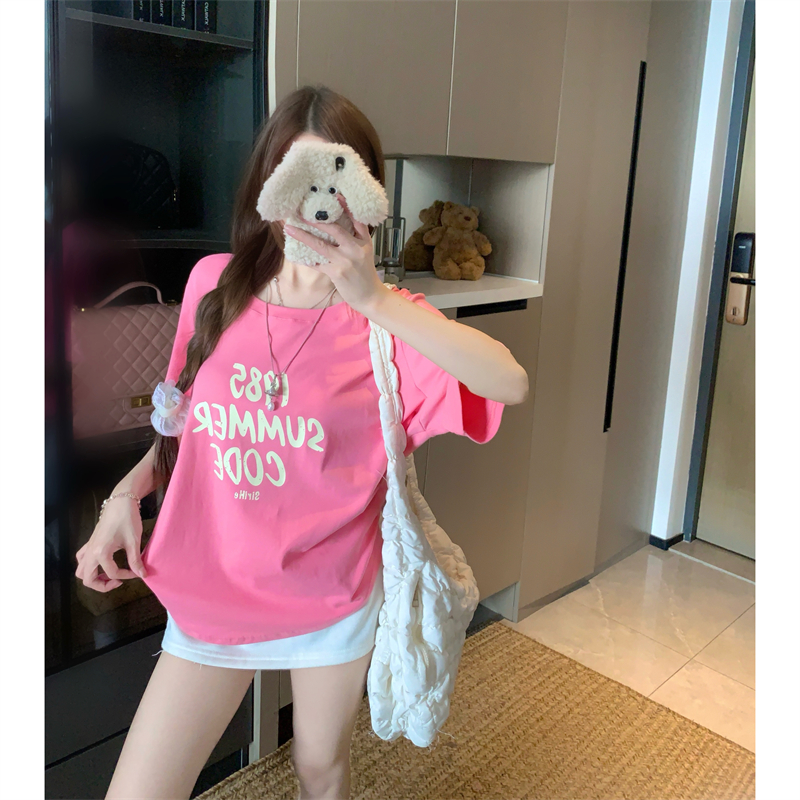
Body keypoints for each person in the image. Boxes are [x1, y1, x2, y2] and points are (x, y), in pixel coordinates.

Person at [75, 85, 529, 800]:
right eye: (296, 177)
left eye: (337, 179)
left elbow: (509, 381)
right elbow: (184, 427)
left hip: (330, 594)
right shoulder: (213, 285)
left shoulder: (387, 322)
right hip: (213, 585)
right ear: (267, 187)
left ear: (367, 195)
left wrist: (374, 299)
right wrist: (123, 497)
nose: (317, 204)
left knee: (321, 769)